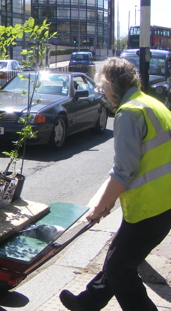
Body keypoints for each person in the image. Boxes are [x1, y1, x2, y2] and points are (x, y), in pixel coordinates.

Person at [59, 57, 171, 311]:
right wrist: (106, 200)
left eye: (103, 89)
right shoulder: (151, 103)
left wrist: (100, 206)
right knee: (118, 257)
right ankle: (88, 302)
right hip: (163, 201)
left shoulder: (129, 112)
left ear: (111, 85)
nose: (104, 95)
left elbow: (124, 171)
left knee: (120, 267)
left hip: (149, 207)